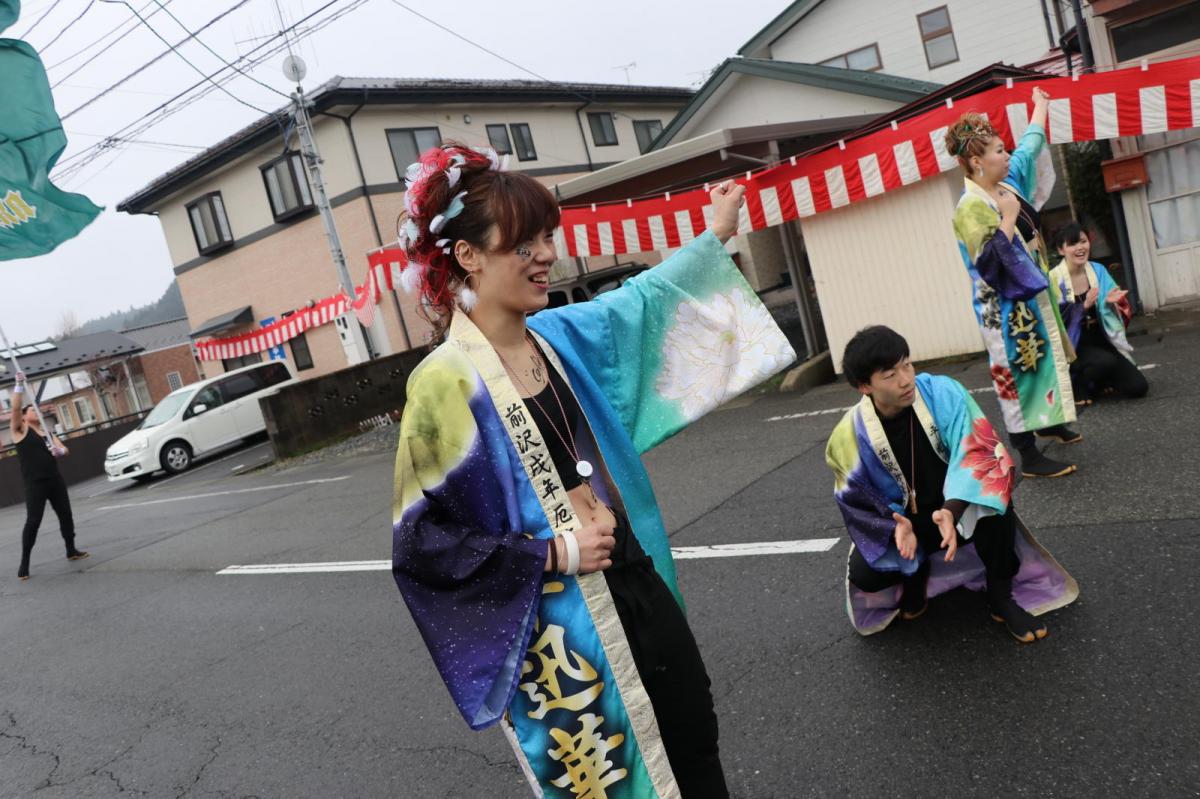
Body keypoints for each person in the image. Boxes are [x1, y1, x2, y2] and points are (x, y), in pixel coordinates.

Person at [389, 143, 795, 796]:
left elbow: (640, 305)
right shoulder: (442, 385)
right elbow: (421, 543)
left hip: (637, 581)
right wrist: (551, 552)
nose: (546, 254)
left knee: (695, 744)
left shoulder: (559, 335)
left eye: (546, 237)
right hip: (564, 625)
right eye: (523, 242)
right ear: (468, 255)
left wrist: (713, 238)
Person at [825, 326, 1078, 642]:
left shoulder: (944, 394)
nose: (906, 379)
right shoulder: (847, 437)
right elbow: (853, 499)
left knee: (995, 502)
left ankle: (1001, 596)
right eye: (890, 375)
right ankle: (916, 577)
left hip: (958, 507)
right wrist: (893, 528)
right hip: (905, 522)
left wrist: (952, 509)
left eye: (907, 364)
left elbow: (981, 450)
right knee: (867, 574)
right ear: (864, 386)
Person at [947, 87, 1082, 479]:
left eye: (1004, 150)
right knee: (1015, 372)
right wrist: (1007, 219)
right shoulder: (971, 206)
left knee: (1045, 362)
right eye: (998, 152)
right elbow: (989, 263)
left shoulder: (1006, 185)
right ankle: (1027, 453)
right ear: (976, 161)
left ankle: (1050, 421)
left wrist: (1040, 107)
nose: (1007, 157)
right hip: (1004, 309)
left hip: (1032, 297)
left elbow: (1029, 147)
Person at [1049, 222, 1148, 405]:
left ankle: (1101, 380)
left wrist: (1113, 303)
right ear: (1061, 250)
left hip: (1101, 339)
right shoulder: (1054, 279)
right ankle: (1078, 385)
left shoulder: (1098, 270)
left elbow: (1114, 308)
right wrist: (1083, 306)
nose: (1080, 248)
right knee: (1105, 362)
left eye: (1083, 241)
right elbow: (1053, 321)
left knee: (1138, 387)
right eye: (1072, 244)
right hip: (1075, 346)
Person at [8, 370, 89, 580]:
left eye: (37, 409)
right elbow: (16, 408)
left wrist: (59, 451)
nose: (36, 411)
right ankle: (24, 563)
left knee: (66, 514)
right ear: (25, 417)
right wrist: (18, 386)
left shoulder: (48, 432)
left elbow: (65, 449)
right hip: (35, 483)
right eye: (31, 410)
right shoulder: (20, 430)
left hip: (54, 480)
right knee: (33, 521)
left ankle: (71, 550)